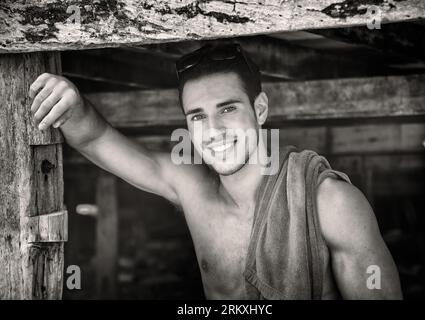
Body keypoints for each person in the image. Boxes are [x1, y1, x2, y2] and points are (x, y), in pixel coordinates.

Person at [28, 43, 402, 299]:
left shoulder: (329, 202)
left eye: (227, 109)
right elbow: (95, 139)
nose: (214, 131)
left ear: (259, 110)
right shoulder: (192, 189)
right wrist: (71, 104)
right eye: (197, 116)